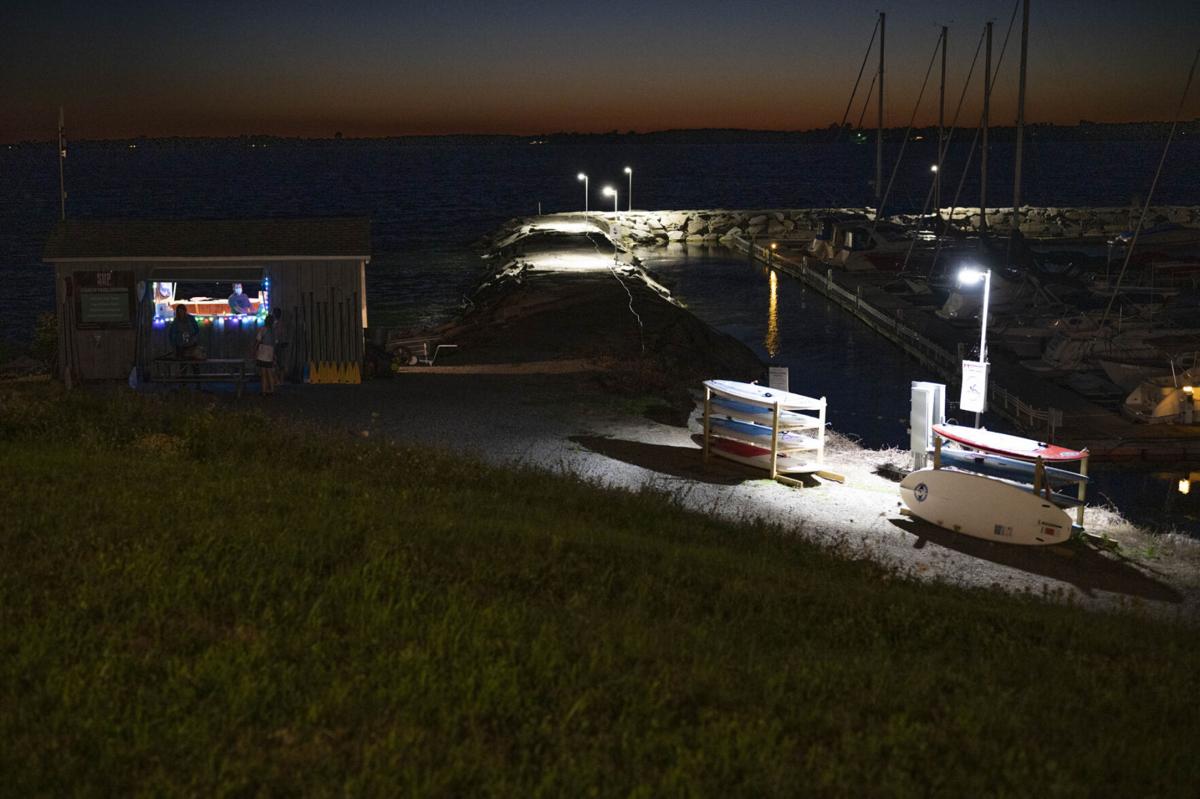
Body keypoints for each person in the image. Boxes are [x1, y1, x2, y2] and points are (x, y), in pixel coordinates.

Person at [255, 314, 277, 396]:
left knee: (263, 373)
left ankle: (264, 390)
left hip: (263, 351)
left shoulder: (263, 329)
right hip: (270, 351)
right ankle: (272, 390)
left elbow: (258, 340)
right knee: (269, 372)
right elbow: (275, 343)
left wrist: (255, 349)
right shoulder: (273, 331)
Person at [271, 307, 290, 383]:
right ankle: (278, 380)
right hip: (278, 345)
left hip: (279, 345)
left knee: (279, 363)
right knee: (277, 363)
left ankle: (280, 380)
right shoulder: (275, 324)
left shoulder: (279, 324)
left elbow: (281, 335)